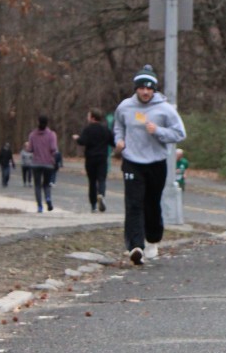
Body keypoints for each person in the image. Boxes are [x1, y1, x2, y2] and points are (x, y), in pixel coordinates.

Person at [113, 65, 186, 265]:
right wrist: (119, 141)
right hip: (132, 161)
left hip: (156, 162)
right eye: (141, 88)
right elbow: (118, 126)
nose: (145, 92)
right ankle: (136, 247)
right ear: (136, 88)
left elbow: (180, 133)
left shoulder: (165, 109)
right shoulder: (125, 107)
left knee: (152, 203)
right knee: (134, 204)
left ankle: (153, 239)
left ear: (154, 89)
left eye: (149, 88)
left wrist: (159, 131)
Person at [73, 109, 115, 211]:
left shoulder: (88, 129)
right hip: (102, 158)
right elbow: (113, 142)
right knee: (101, 179)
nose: (87, 118)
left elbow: (82, 141)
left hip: (90, 159)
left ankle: (93, 205)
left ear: (92, 118)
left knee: (92, 181)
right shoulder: (105, 129)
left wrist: (77, 138)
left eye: (88, 116)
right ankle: (101, 194)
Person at [26, 114, 59, 212]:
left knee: (37, 185)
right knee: (46, 184)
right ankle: (48, 199)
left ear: (38, 122)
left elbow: (29, 149)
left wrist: (30, 147)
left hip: (36, 163)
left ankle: (40, 206)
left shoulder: (32, 135)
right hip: (48, 163)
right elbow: (53, 148)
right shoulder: (52, 134)